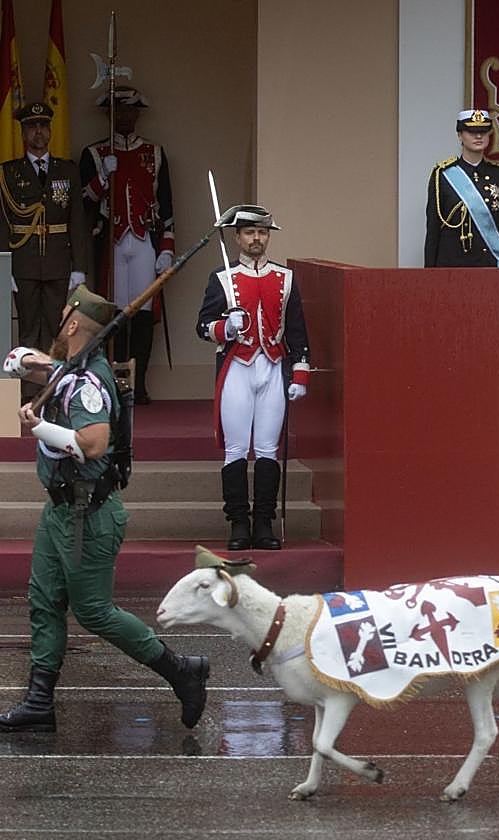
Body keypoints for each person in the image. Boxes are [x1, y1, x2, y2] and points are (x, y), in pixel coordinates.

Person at [1, 286, 209, 733]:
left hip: (87, 515)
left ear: (73, 323)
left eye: (63, 317)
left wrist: (40, 429)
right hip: (60, 511)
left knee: (93, 611)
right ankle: (39, 702)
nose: (59, 323)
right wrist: (39, 363)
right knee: (44, 601)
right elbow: (11, 361)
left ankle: (181, 670)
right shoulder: (68, 371)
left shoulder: (88, 384)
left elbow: (92, 446)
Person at [196, 205, 310, 551]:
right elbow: (202, 327)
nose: (256, 239)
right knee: (235, 449)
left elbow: (297, 331)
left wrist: (300, 374)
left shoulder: (285, 278)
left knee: (266, 450)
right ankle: (238, 523)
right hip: (237, 367)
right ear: (238, 237)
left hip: (273, 366)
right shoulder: (222, 278)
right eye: (250, 233)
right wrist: (224, 326)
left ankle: (264, 523)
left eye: (262, 233)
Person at [79, 86, 175, 405]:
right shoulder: (94, 154)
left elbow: (166, 206)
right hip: (113, 242)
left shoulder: (154, 153)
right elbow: (83, 202)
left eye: (131, 111)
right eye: (119, 111)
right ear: (109, 114)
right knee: (117, 314)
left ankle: (140, 383)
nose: (126, 116)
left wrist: (166, 248)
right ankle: (117, 382)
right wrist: (102, 178)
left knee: (143, 313)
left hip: (145, 241)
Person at [0, 101, 88, 402]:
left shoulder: (67, 170)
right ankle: (29, 394)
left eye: (43, 126)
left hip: (58, 260)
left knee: (56, 328)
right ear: (24, 133)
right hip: (23, 262)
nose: (38, 132)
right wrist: (5, 265)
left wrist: (80, 266)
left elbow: (77, 220)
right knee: (27, 330)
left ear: (50, 130)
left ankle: (54, 392)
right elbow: (3, 223)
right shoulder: (8, 174)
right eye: (32, 127)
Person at [424, 109, 499, 268]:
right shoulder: (443, 174)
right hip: (452, 264)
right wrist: (430, 272)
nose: (478, 136)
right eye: (471, 131)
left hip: (489, 263)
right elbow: (433, 230)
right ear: (460, 135)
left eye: (483, 131)